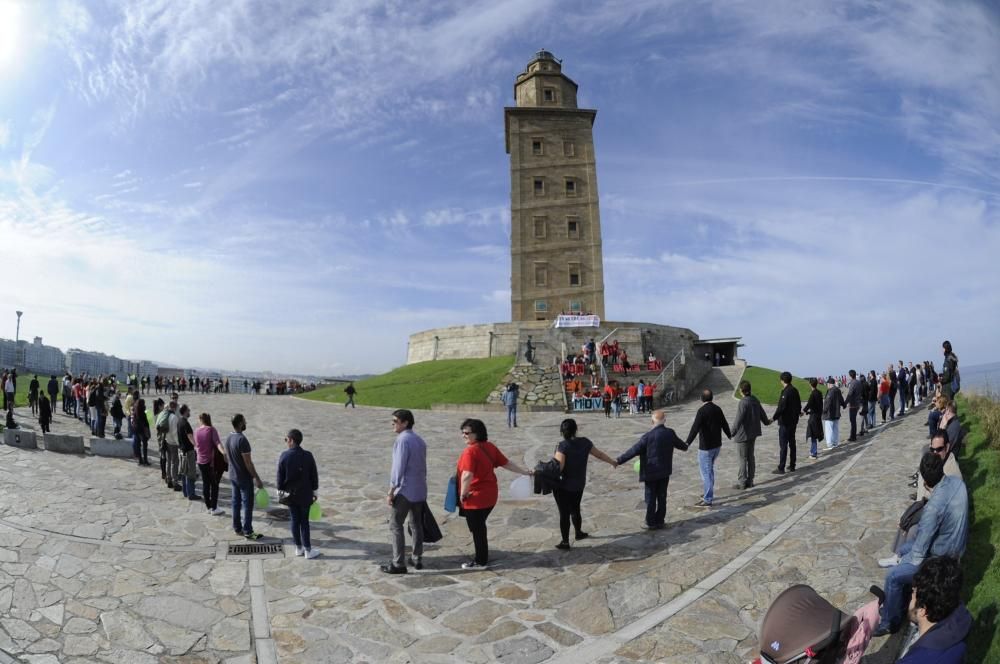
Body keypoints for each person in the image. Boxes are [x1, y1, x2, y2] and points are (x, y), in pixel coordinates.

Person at [874, 453, 969, 636]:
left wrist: (903, 561)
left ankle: (890, 621)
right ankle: (902, 597)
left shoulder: (933, 507)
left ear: (924, 481)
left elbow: (918, 555)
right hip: (956, 546)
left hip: (941, 560)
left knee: (893, 576)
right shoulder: (958, 483)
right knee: (904, 548)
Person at [456, 418, 533, 569]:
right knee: (479, 527)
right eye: (462, 432)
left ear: (477, 434)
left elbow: (467, 475)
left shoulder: (470, 452)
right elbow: (507, 463)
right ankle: (482, 555)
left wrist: (463, 494)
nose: (463, 435)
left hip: (475, 498)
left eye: (466, 433)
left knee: (477, 529)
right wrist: (524, 471)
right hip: (490, 496)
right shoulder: (489, 447)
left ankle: (480, 561)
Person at [615, 410, 689, 529]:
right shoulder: (670, 433)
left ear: (652, 421)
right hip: (664, 472)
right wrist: (686, 444)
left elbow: (633, 451)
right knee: (662, 496)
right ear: (664, 421)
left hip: (650, 472)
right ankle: (660, 520)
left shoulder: (647, 437)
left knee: (650, 498)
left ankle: (650, 522)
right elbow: (683, 446)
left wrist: (619, 460)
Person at [550, 418, 617, 549]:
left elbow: (560, 467)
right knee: (575, 508)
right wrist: (612, 462)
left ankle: (565, 542)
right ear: (576, 429)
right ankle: (579, 533)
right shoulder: (585, 442)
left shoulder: (562, 446)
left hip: (564, 486)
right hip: (579, 483)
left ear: (562, 431)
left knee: (564, 513)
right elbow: (599, 454)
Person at [896, 556, 971, 664]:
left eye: (913, 593)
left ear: (923, 610)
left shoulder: (915, 660)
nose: (911, 597)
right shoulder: (961, 618)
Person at [382, 409, 427, 573]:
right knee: (416, 525)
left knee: (395, 525)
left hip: (405, 490)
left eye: (395, 421)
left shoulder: (402, 440)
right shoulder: (419, 440)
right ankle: (417, 558)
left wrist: (391, 491)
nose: (392, 424)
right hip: (420, 489)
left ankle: (398, 563)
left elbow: (398, 468)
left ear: (405, 422)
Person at [684, 389, 732, 508]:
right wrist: (729, 434)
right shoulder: (717, 409)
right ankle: (707, 492)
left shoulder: (701, 411)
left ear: (701, 398)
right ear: (712, 397)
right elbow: (724, 423)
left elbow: (695, 428)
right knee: (709, 471)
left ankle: (708, 499)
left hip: (706, 448)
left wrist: (687, 443)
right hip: (717, 445)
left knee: (706, 473)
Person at [277, 428, 320, 559]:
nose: (286, 442)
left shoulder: (284, 456)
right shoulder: (308, 455)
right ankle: (308, 550)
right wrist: (315, 490)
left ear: (291, 440)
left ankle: (298, 548)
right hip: (305, 494)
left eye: (286, 439)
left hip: (290, 495)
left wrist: (280, 492)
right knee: (304, 522)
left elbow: (280, 477)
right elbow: (314, 475)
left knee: (295, 521)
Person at [225, 413, 265, 540]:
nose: (246, 423)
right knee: (247, 505)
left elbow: (226, 457)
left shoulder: (229, 437)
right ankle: (248, 530)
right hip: (243, 478)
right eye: (244, 421)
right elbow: (248, 463)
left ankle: (237, 528)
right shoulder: (242, 440)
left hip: (233, 476)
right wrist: (257, 478)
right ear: (240, 423)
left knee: (236, 503)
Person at [731, 381, 770, 489]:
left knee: (743, 458)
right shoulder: (755, 400)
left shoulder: (743, 402)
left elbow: (738, 420)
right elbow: (763, 415)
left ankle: (742, 483)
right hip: (753, 434)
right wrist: (767, 422)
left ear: (741, 390)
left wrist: (732, 432)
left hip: (743, 435)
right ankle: (750, 481)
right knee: (750, 457)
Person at [194, 413, 226, 515]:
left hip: (200, 461)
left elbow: (197, 445)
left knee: (205, 484)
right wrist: (223, 452)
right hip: (210, 463)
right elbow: (217, 443)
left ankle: (208, 507)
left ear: (200, 419)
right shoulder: (211, 429)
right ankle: (214, 508)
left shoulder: (196, 431)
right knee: (215, 485)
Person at [771, 372, 802, 474]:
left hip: (785, 423)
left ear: (782, 380)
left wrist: (773, 418)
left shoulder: (786, 392)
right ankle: (792, 465)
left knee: (783, 445)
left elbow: (781, 407)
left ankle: (781, 467)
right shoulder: (795, 390)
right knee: (792, 444)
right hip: (793, 422)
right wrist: (798, 413)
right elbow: (799, 404)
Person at [177, 405, 199, 500]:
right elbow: (190, 437)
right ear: (185, 411)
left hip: (182, 450)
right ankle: (191, 494)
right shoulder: (185, 423)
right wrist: (197, 446)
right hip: (188, 451)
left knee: (184, 472)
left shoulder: (179, 422)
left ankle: (185, 492)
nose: (189, 411)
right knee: (191, 473)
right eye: (188, 410)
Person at [802, 378, 823, 460]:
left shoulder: (813, 394)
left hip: (814, 417)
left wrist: (803, 412)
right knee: (814, 434)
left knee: (813, 434)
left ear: (810, 384)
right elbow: (818, 406)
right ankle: (813, 451)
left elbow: (809, 404)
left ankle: (814, 453)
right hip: (817, 415)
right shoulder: (819, 393)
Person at [822, 376, 845, 450]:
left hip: (830, 413)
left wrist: (824, 410)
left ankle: (830, 444)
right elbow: (841, 399)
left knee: (829, 429)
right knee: (835, 428)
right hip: (836, 412)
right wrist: (844, 405)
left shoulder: (831, 391)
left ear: (829, 384)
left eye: (827, 384)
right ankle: (835, 442)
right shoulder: (837, 390)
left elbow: (828, 401)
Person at [844, 370, 861, 442]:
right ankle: (853, 435)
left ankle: (853, 436)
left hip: (853, 404)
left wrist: (845, 403)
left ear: (850, 376)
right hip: (857, 403)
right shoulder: (858, 382)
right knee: (853, 420)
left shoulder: (853, 383)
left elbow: (849, 394)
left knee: (852, 420)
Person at [132, 399, 151, 466]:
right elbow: (146, 422)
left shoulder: (135, 411)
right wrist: (148, 431)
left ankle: (140, 460)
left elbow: (133, 421)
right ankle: (145, 460)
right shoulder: (143, 412)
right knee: (145, 445)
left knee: (138, 445)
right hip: (142, 430)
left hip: (136, 429)